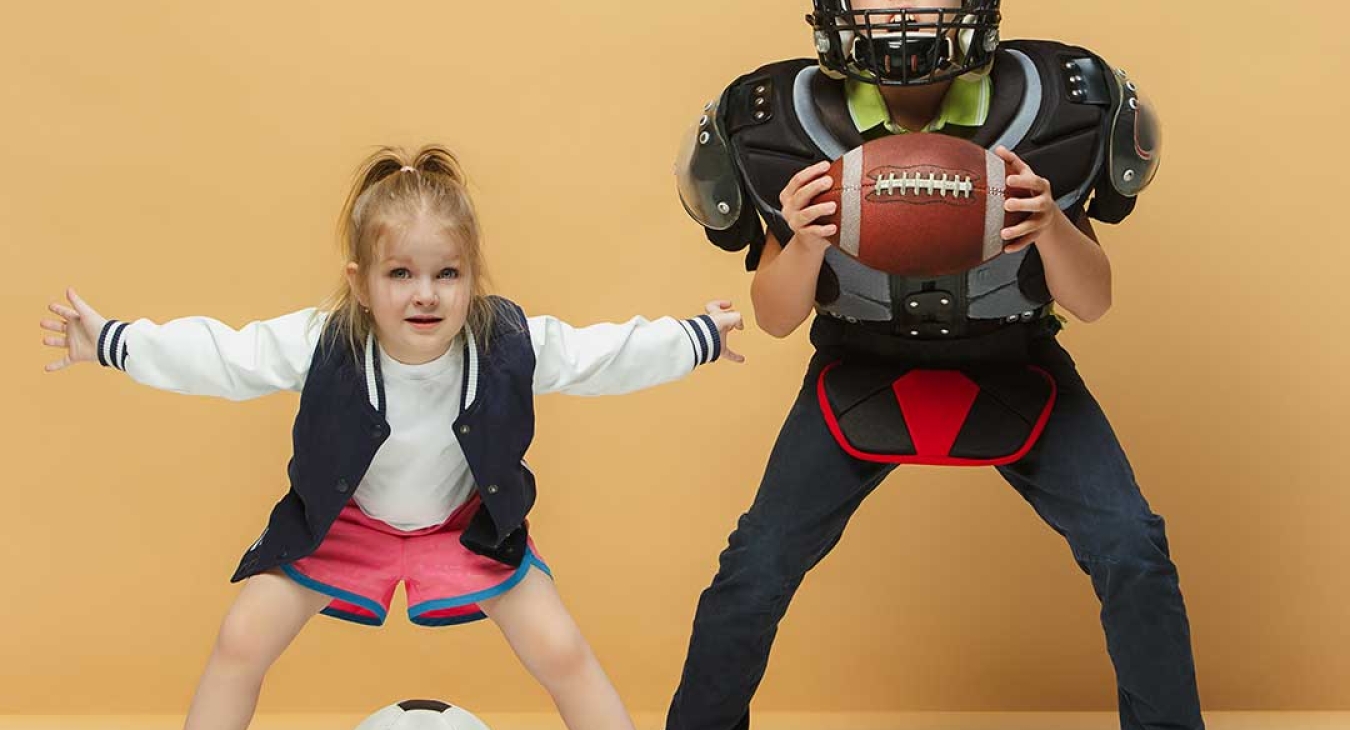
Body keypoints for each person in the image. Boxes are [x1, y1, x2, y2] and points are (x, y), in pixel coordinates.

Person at [40, 145, 744, 730]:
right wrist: (111, 342)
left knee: (561, 651)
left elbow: (603, 357)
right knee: (240, 640)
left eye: (447, 274)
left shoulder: (504, 341)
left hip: (465, 528)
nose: (425, 294)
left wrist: (699, 337)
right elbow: (225, 356)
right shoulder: (326, 341)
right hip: (345, 525)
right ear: (360, 282)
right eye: (400, 274)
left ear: (473, 277)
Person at [669, 2, 1202, 729]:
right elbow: (775, 317)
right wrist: (802, 241)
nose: (901, 15)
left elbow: (1094, 302)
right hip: (859, 364)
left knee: (1131, 546)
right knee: (757, 564)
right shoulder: (781, 123)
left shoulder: (1051, 108)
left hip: (1014, 359)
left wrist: (1049, 225)